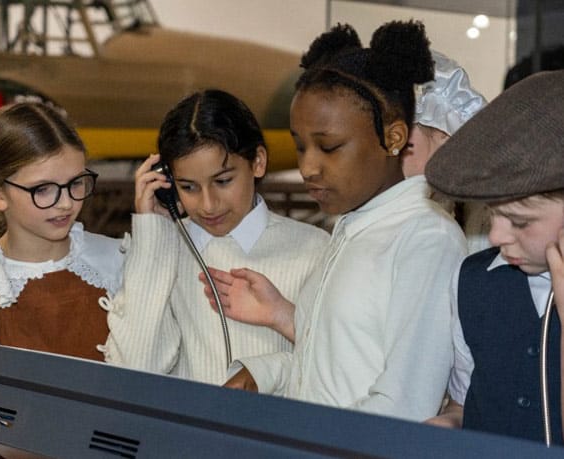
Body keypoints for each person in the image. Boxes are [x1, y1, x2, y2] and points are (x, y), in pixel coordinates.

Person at [201, 21, 467, 422]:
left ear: (394, 138)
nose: (308, 168)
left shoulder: (426, 238)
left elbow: (404, 407)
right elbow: (332, 371)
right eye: (300, 146)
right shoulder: (352, 227)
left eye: (329, 148)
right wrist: (265, 373)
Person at [101, 89, 329, 385]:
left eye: (223, 181)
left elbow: (338, 368)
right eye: (188, 187)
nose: (208, 205)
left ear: (258, 161)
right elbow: (134, 371)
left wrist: (268, 372)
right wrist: (152, 235)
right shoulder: (160, 250)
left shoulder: (315, 249)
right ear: (167, 182)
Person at [0, 102, 125, 457]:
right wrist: (7, 407)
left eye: (76, 183)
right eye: (43, 189)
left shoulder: (115, 262)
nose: (65, 203)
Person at [424, 69, 564, 443]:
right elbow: (466, 401)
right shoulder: (473, 280)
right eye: (491, 214)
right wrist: (451, 425)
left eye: (521, 222)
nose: (498, 235)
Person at [401, 50, 490, 254]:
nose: (394, 157)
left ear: (444, 136)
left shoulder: (485, 221)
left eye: (407, 146)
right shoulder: (407, 204)